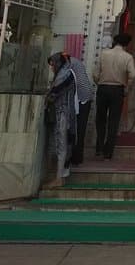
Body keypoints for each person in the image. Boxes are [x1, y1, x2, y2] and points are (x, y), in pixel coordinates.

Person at [94, 32, 135, 160]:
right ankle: (108, 152)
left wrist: (99, 82)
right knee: (113, 120)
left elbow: (95, 73)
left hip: (102, 88)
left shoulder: (104, 54)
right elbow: (133, 74)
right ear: (126, 44)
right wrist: (127, 87)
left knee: (100, 119)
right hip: (117, 90)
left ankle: (99, 147)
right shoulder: (127, 57)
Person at [45, 52, 78, 187]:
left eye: (53, 65)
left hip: (64, 113)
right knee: (61, 144)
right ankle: (60, 176)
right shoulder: (64, 73)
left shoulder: (66, 75)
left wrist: (46, 99)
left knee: (61, 144)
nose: (52, 68)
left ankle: (59, 177)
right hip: (63, 113)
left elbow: (54, 93)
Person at [67, 52, 94, 167]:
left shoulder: (68, 65)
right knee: (80, 128)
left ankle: (75, 157)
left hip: (82, 98)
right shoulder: (75, 61)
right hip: (85, 97)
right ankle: (77, 156)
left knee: (78, 128)